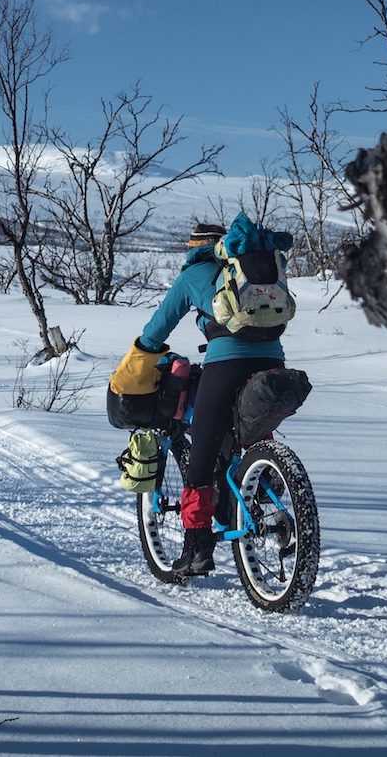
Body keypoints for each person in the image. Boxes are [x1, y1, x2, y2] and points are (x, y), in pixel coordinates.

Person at [110, 219, 284, 577]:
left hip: (226, 363)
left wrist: (140, 355)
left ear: (194, 248)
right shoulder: (251, 270)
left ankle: (197, 547)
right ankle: (264, 482)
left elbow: (158, 328)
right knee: (250, 430)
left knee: (201, 453)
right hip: (274, 360)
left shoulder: (194, 274)